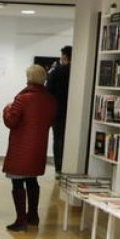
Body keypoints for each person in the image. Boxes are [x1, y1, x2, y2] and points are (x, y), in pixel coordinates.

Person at [2, 65, 57, 232]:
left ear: (29, 78)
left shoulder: (22, 99)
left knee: (17, 182)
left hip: (21, 148)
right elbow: (50, 121)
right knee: (32, 180)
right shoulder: (50, 99)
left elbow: (11, 122)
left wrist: (6, 109)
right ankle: (33, 216)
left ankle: (21, 220)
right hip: (38, 148)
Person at [46, 45, 72, 173]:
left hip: (58, 111)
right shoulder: (79, 71)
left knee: (58, 140)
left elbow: (47, 90)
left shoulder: (56, 72)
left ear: (65, 57)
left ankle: (59, 169)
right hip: (74, 112)